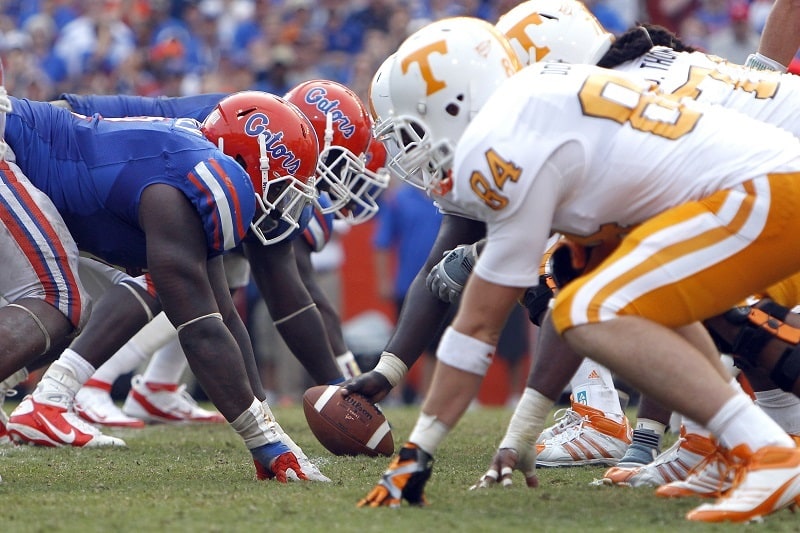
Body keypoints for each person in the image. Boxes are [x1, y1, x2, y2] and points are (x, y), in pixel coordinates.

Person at [356, 16, 800, 523]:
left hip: (763, 196)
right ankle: (748, 447)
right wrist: (457, 443)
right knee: (620, 292)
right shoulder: (542, 99)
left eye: (415, 129)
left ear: (457, 102)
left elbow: (479, 322)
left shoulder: (504, 144)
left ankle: (767, 451)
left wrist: (420, 450)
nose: (413, 150)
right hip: (770, 185)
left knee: (584, 308)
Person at [471, 0, 800, 477]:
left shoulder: (610, 108)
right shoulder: (643, 75)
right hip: (778, 184)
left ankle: (715, 441)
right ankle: (726, 443)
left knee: (601, 276)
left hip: (783, 190)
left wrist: (521, 431)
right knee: (692, 291)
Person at [0, 84, 326, 482]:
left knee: (81, 304)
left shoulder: (188, 167)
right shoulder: (186, 185)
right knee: (57, 299)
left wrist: (272, 431)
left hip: (18, 152)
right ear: (246, 163)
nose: (284, 202)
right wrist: (264, 443)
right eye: (282, 185)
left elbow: (223, 317)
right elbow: (199, 331)